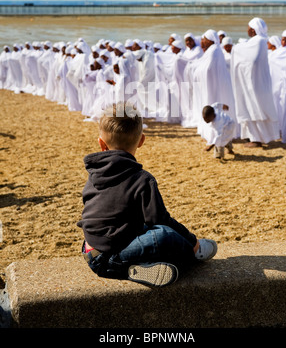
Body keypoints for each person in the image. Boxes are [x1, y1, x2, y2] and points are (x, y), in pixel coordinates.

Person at [77, 102, 218, 288]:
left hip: (90, 251)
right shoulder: (142, 179)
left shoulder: (94, 173)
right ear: (142, 140)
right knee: (164, 235)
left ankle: (137, 267)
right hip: (113, 255)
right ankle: (190, 253)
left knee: (142, 226)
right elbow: (160, 220)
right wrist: (193, 241)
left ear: (101, 143)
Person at [231, 17, 280, 148]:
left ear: (253, 30)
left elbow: (251, 59)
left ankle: (257, 139)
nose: (246, 30)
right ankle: (255, 137)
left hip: (254, 84)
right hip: (255, 82)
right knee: (252, 108)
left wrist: (236, 48)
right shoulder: (261, 41)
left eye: (248, 27)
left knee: (255, 109)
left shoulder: (258, 42)